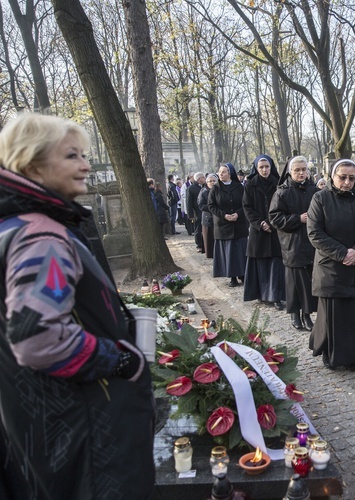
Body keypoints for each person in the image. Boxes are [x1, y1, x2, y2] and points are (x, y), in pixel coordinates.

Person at [0, 113, 154, 499]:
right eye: (72, 156)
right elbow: (37, 336)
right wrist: (119, 359)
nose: (86, 165)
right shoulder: (42, 237)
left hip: (40, 422)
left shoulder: (12, 225)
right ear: (32, 163)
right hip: (84, 428)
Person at [308, 159, 355, 370]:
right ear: (332, 176)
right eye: (342, 177)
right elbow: (314, 233)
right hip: (331, 266)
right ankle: (330, 353)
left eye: (351, 178)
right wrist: (342, 253)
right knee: (333, 314)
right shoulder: (320, 198)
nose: (347, 182)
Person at [269, 156, 318, 331]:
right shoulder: (282, 192)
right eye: (297, 170)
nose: (301, 173)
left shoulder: (314, 190)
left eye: (304, 169)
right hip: (292, 243)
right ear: (290, 172)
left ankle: (307, 314)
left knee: (309, 282)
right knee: (295, 284)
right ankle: (295, 314)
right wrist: (297, 219)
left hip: (311, 243)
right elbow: (275, 218)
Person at [243, 155, 285, 309]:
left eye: (267, 166)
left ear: (271, 167)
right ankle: (261, 294)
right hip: (258, 230)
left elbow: (283, 204)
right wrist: (260, 223)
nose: (264, 170)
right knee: (260, 264)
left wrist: (274, 222)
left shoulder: (279, 183)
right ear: (256, 168)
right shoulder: (250, 184)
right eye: (261, 167)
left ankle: (275, 296)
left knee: (275, 263)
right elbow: (247, 207)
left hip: (275, 229)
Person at [208, 163, 248, 287]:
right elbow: (211, 205)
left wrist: (238, 214)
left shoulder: (239, 187)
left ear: (230, 174)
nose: (220, 174)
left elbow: (245, 203)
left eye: (223, 172)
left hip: (238, 224)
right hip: (223, 225)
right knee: (229, 253)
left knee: (240, 251)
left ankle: (242, 274)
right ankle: (232, 277)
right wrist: (224, 215)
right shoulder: (215, 188)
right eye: (219, 172)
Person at [198, 173, 217, 259]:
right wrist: (212, 208)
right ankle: (210, 253)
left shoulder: (218, 190)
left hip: (217, 217)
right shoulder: (203, 191)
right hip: (208, 217)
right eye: (210, 181)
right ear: (207, 182)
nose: (212, 183)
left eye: (214, 181)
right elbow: (201, 205)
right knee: (209, 237)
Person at [187, 172, 206, 253]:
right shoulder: (191, 188)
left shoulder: (205, 186)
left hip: (205, 211)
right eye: (203, 177)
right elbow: (189, 202)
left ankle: (205, 244)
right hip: (197, 212)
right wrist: (190, 214)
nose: (204, 179)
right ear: (199, 179)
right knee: (198, 229)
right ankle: (199, 245)